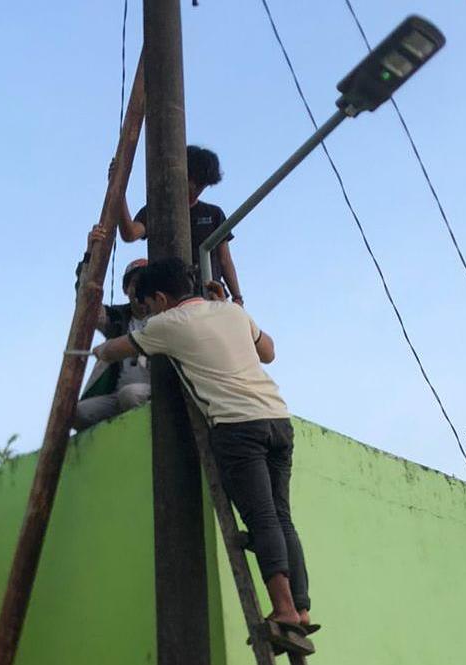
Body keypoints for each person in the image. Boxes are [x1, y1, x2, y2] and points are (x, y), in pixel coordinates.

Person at [91, 258, 313, 635]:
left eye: (149, 305)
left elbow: (117, 349)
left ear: (160, 298)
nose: (148, 313)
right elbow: (269, 352)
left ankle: (284, 608)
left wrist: (97, 353)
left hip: (236, 427)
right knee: (280, 515)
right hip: (277, 416)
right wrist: (231, 309)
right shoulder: (230, 311)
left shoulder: (167, 324)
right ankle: (301, 609)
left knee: (261, 519)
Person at [111, 145, 245, 306]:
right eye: (194, 182)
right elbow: (130, 233)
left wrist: (237, 298)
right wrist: (119, 191)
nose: (197, 189)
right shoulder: (157, 210)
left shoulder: (214, 214)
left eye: (203, 185)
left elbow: (225, 260)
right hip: (170, 300)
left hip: (209, 296)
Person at [72, 225, 152, 430]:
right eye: (136, 284)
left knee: (131, 395)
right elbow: (87, 305)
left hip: (153, 394)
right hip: (118, 396)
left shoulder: (164, 316)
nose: (141, 290)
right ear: (126, 289)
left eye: (147, 283)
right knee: (76, 413)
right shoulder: (118, 319)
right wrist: (90, 255)